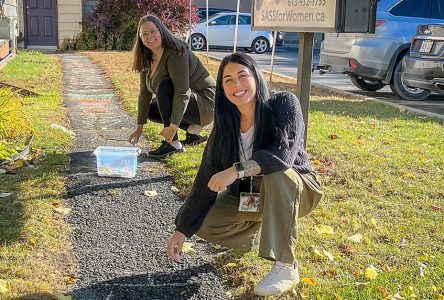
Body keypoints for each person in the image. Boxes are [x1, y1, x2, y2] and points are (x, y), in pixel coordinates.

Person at [166, 53, 323, 296]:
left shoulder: (283, 103)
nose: (236, 85)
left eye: (242, 76)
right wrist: (182, 229)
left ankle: (286, 265)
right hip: (256, 197)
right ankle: (265, 233)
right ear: (222, 89)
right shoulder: (225, 128)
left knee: (277, 174)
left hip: (298, 189)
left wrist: (236, 170)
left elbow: (283, 156)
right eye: (228, 80)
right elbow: (205, 179)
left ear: (256, 77)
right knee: (207, 224)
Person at [128, 14, 215, 159]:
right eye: (144, 34)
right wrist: (139, 128)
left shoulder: (176, 52)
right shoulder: (147, 57)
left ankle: (173, 144)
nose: (150, 36)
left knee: (164, 87)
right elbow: (144, 94)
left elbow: (182, 92)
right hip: (190, 103)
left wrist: (172, 127)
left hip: (205, 104)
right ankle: (192, 130)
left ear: (161, 30)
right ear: (140, 39)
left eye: (153, 31)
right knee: (151, 109)